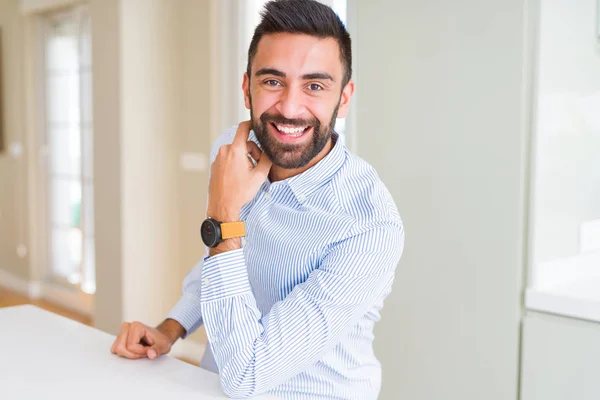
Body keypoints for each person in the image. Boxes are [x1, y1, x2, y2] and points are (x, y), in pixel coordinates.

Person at [110, 0, 404, 398]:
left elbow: (248, 376)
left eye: (315, 85)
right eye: (272, 81)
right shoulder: (233, 153)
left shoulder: (367, 225)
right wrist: (169, 329)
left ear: (344, 98)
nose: (289, 107)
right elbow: (222, 261)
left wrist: (223, 217)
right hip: (212, 386)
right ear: (247, 87)